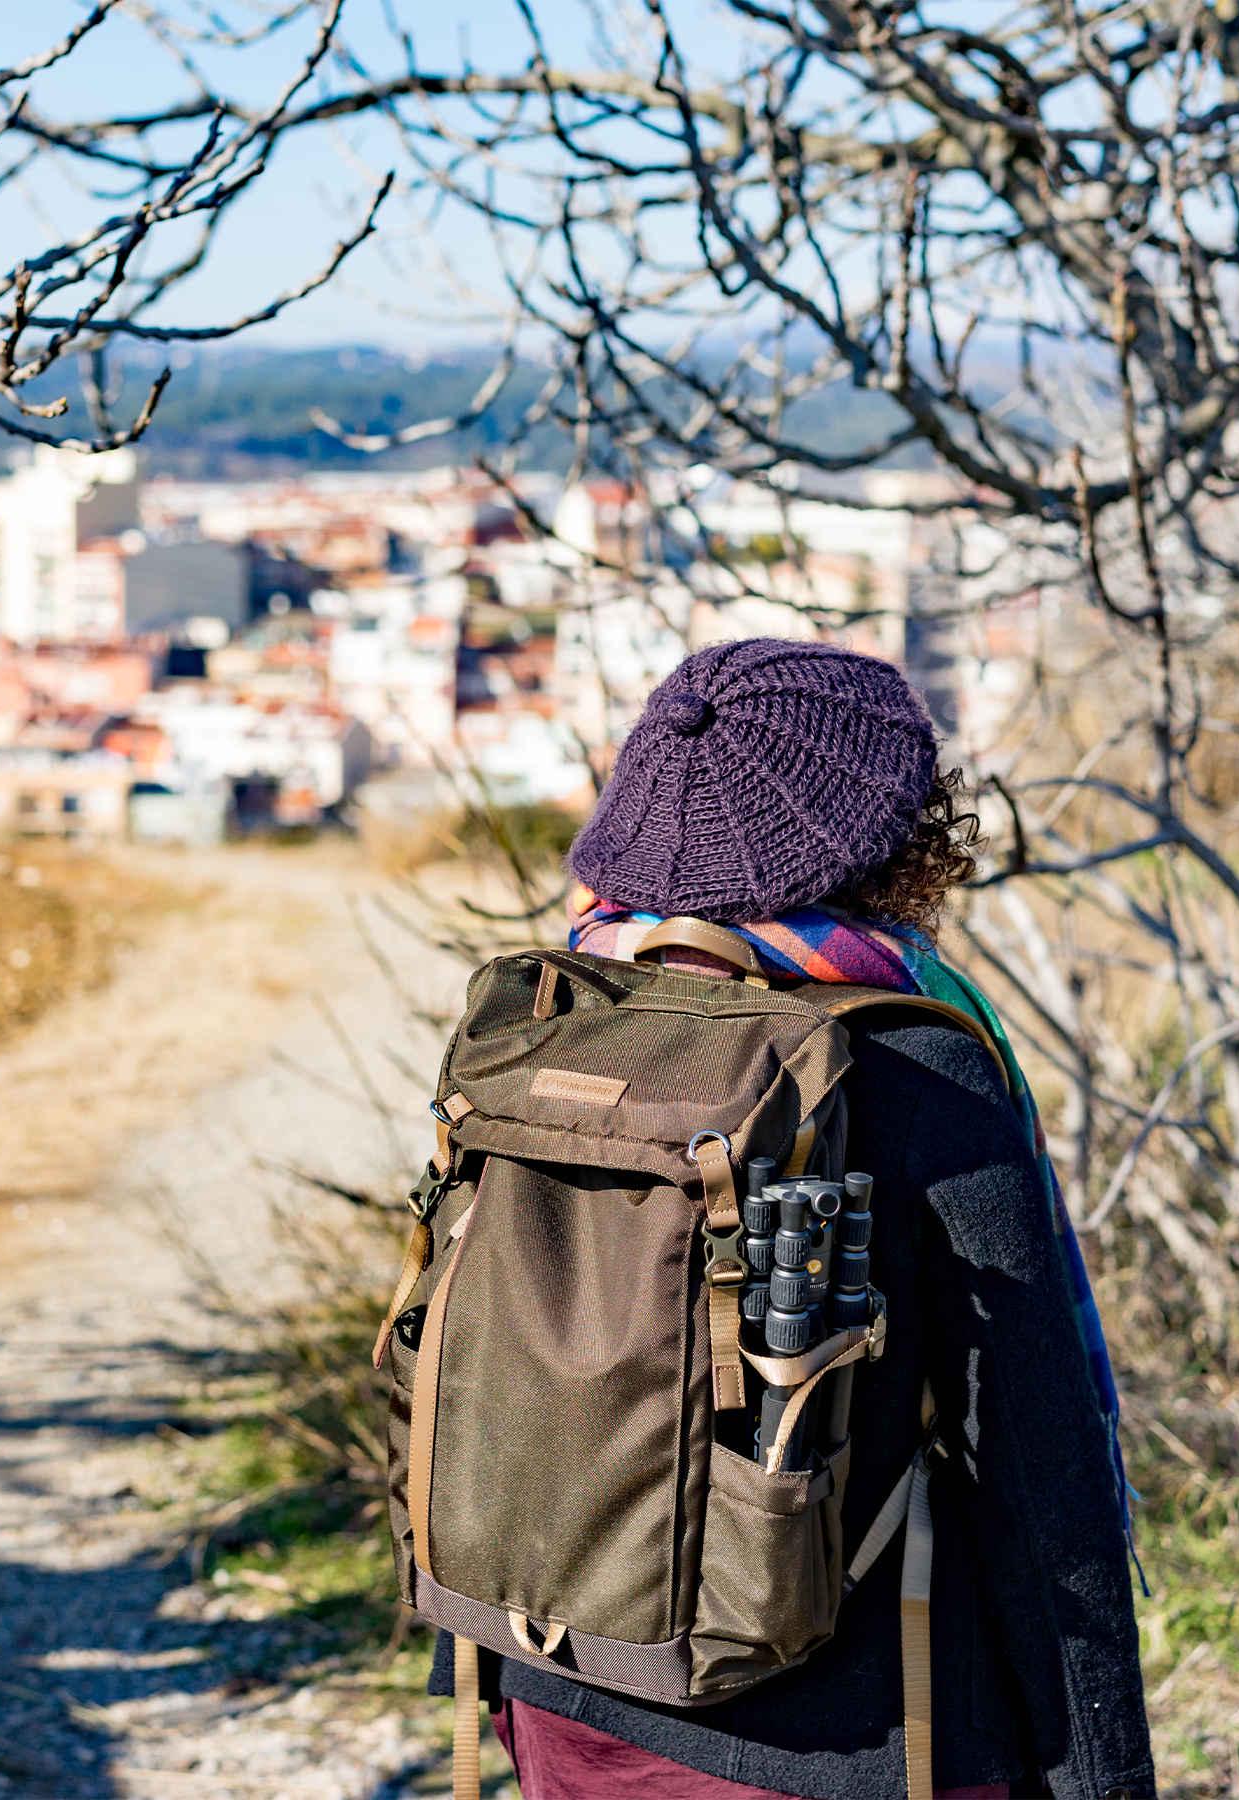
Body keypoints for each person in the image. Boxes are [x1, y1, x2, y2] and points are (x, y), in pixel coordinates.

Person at [429, 639, 1156, 1800]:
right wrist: (1106, 1779)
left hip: (556, 1698)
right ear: (898, 838)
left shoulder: (540, 1029)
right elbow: (1037, 1481)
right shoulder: (915, 1062)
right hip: (852, 1738)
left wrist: (483, 1654)